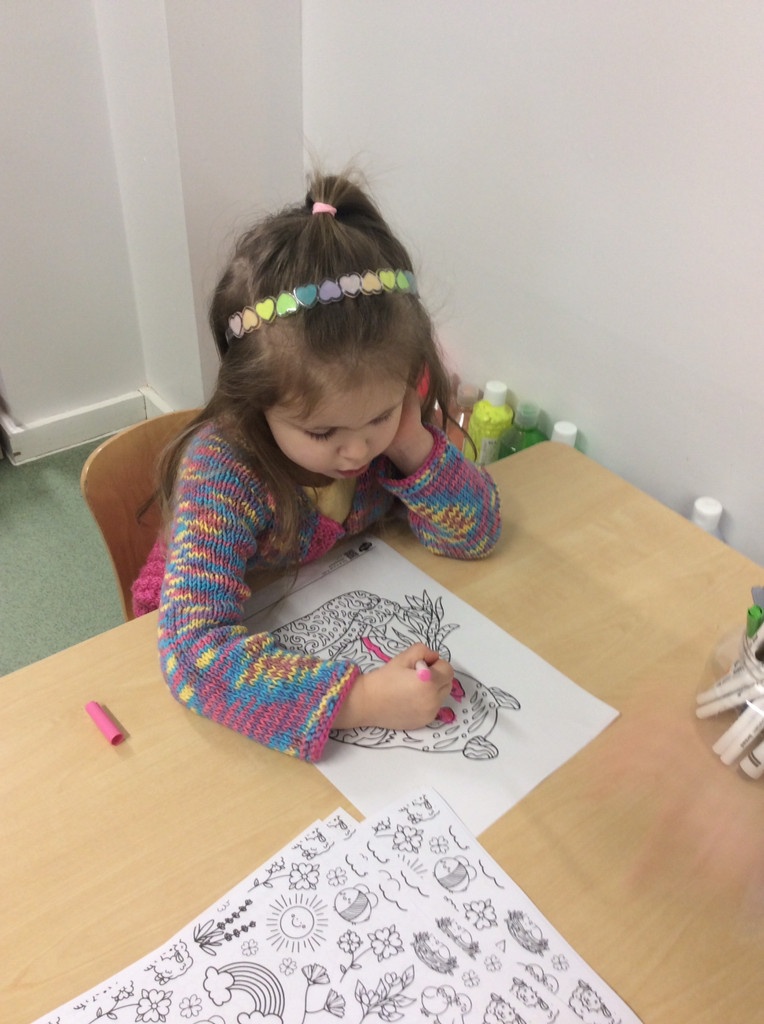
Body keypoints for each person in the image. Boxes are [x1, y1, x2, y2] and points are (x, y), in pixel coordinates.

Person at [133, 171, 501, 762]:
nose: (356, 453)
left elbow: (476, 533)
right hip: (202, 653)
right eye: (322, 433)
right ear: (256, 405)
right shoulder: (223, 472)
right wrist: (360, 701)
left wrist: (411, 442)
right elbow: (193, 655)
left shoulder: (393, 434)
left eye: (379, 415)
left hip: (326, 590)